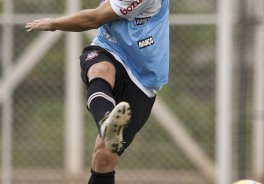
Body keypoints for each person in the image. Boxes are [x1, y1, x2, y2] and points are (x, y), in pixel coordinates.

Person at [25, 0, 170, 183]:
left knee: (104, 158)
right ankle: (107, 123)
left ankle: (109, 127)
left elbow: (93, 19)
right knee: (101, 69)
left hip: (143, 78)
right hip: (108, 48)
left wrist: (54, 23)